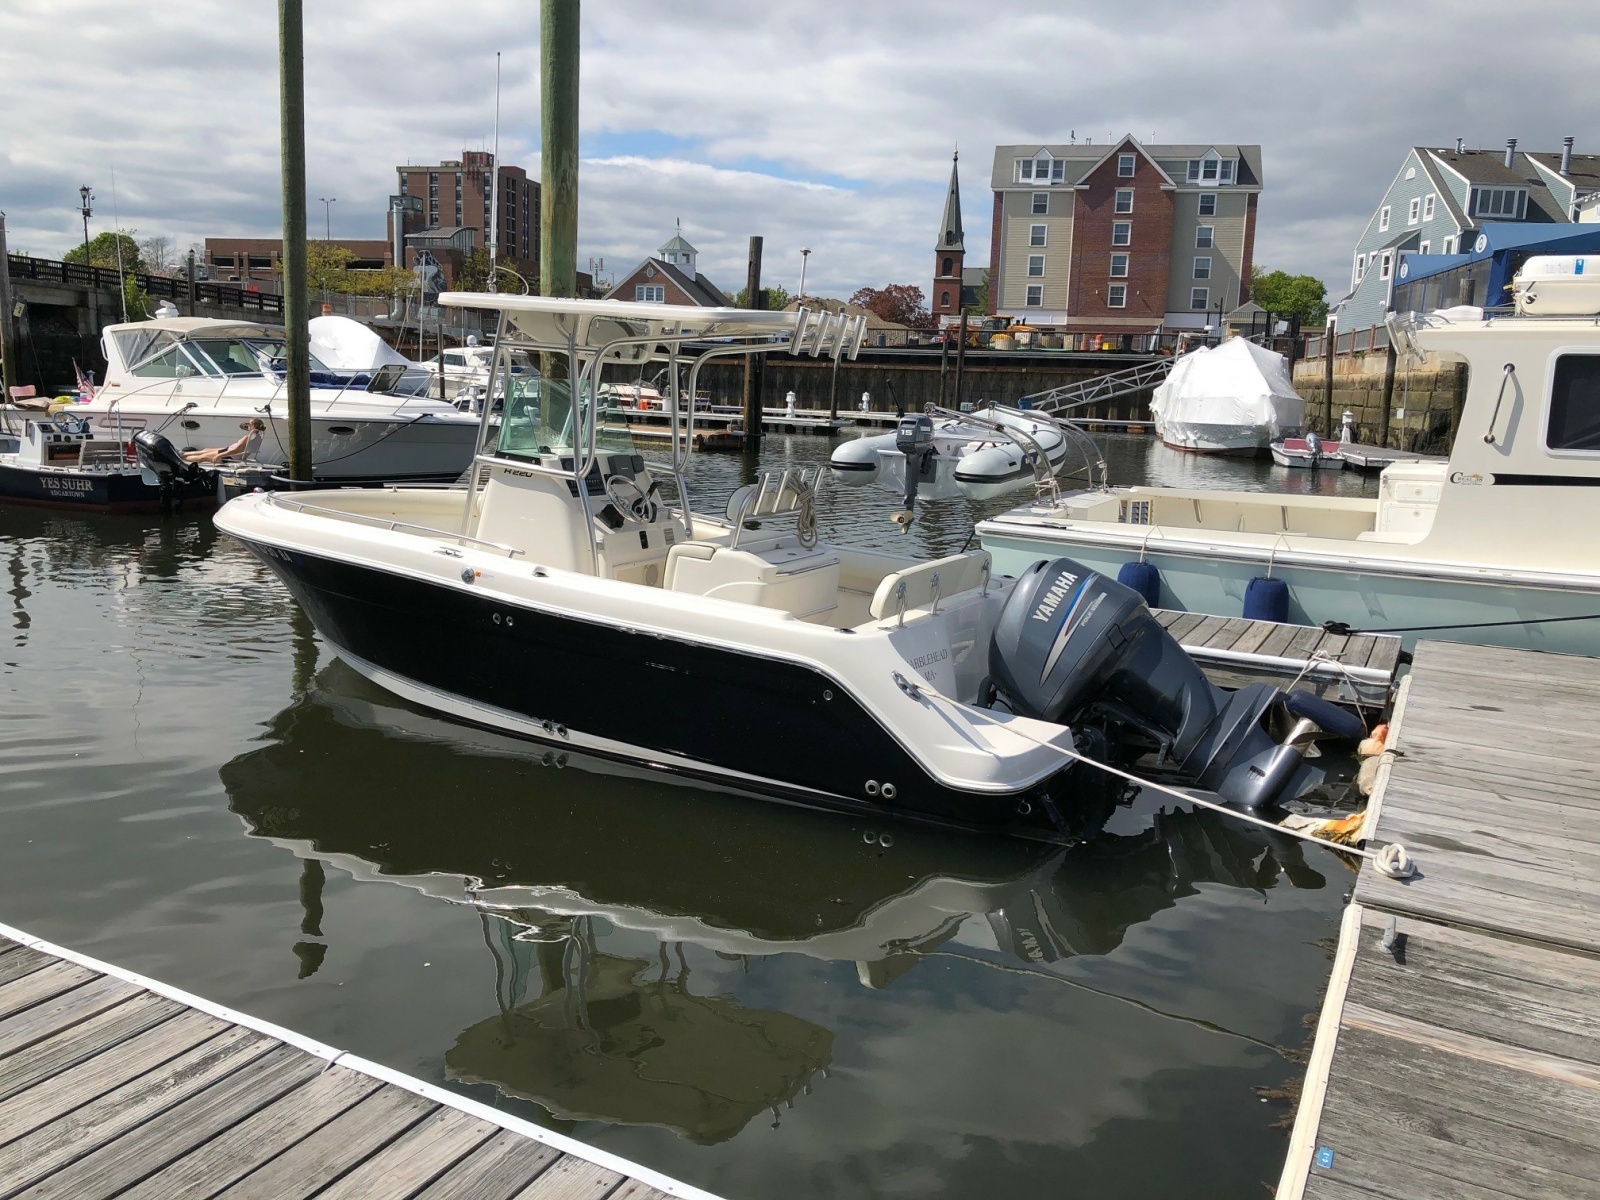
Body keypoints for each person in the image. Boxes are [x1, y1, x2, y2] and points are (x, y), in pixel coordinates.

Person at [182, 418, 265, 465]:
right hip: (230, 451)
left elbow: (235, 450)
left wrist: (219, 455)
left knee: (203, 457)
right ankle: (183, 454)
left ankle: (182, 458)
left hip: (230, 456)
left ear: (253, 426)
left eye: (249, 424)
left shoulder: (247, 437)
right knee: (206, 450)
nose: (247, 425)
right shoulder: (257, 437)